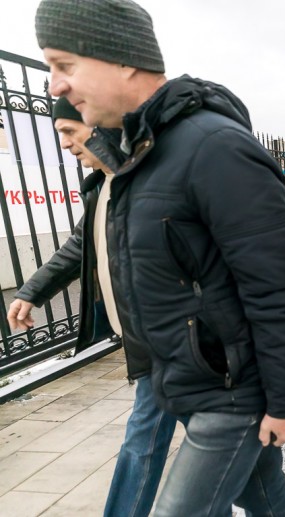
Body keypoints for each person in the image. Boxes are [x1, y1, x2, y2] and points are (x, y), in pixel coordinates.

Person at [35, 1, 285, 515]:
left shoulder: (214, 147)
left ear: (123, 58)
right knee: (268, 501)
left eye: (64, 65)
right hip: (188, 384)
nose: (55, 86)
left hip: (231, 394)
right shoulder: (140, 161)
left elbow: (273, 287)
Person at [6, 97, 178, 517]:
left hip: (173, 339)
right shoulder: (104, 186)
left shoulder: (147, 181)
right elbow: (78, 248)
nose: (63, 145)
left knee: (143, 442)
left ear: (101, 128)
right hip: (150, 339)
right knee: (248, 468)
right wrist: (31, 291)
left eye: (69, 131)